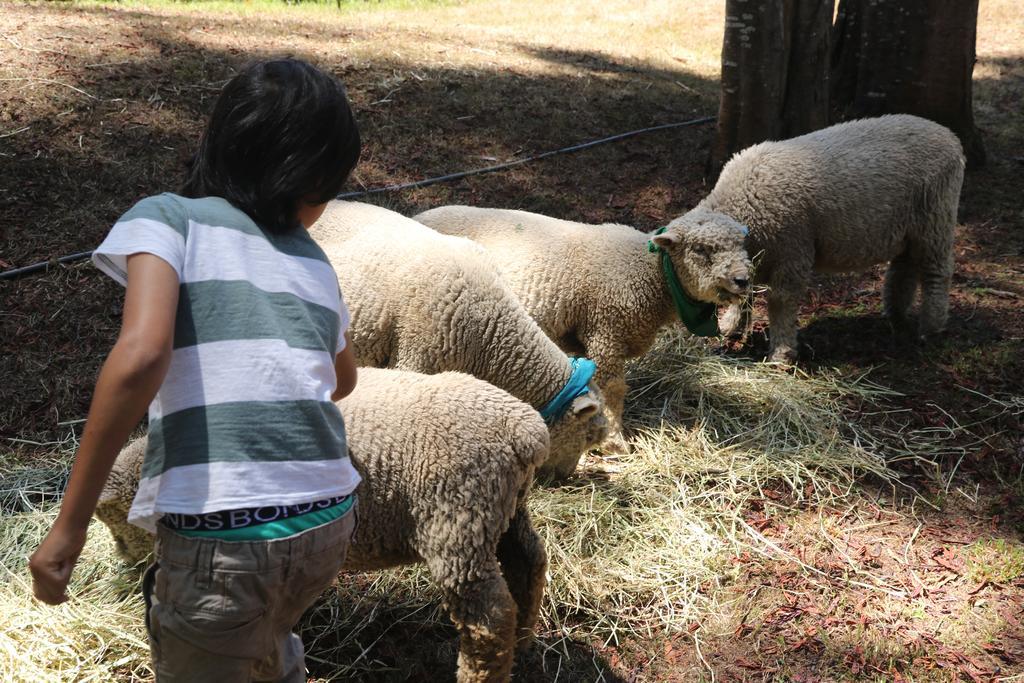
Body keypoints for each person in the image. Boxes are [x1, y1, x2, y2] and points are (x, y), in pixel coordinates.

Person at [29, 57, 363, 682]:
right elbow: (342, 380)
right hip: (327, 523)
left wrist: (68, 527)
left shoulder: (167, 217)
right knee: (270, 632)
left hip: (225, 535)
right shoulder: (315, 260)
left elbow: (143, 355)